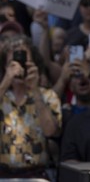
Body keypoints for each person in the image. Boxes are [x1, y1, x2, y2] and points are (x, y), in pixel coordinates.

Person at [0, 35, 61, 179]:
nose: (19, 68)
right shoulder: (2, 94)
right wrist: (6, 81)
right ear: (5, 66)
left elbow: (50, 131)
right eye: (13, 63)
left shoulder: (48, 96)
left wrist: (35, 89)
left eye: (24, 63)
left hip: (36, 174)